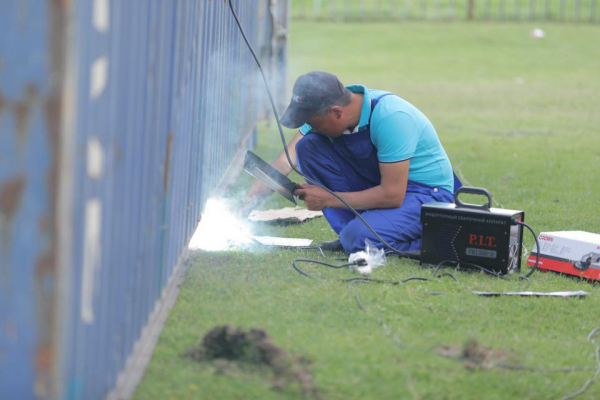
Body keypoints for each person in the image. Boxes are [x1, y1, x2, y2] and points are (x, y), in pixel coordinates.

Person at [243, 71, 460, 254]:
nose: (311, 128)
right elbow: (285, 161)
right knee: (307, 148)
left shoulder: (391, 117)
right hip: (381, 184)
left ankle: (438, 241)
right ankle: (354, 234)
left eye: (313, 123)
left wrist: (328, 199)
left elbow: (393, 195)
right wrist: (246, 204)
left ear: (336, 112)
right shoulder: (329, 114)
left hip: (425, 195)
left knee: (359, 239)